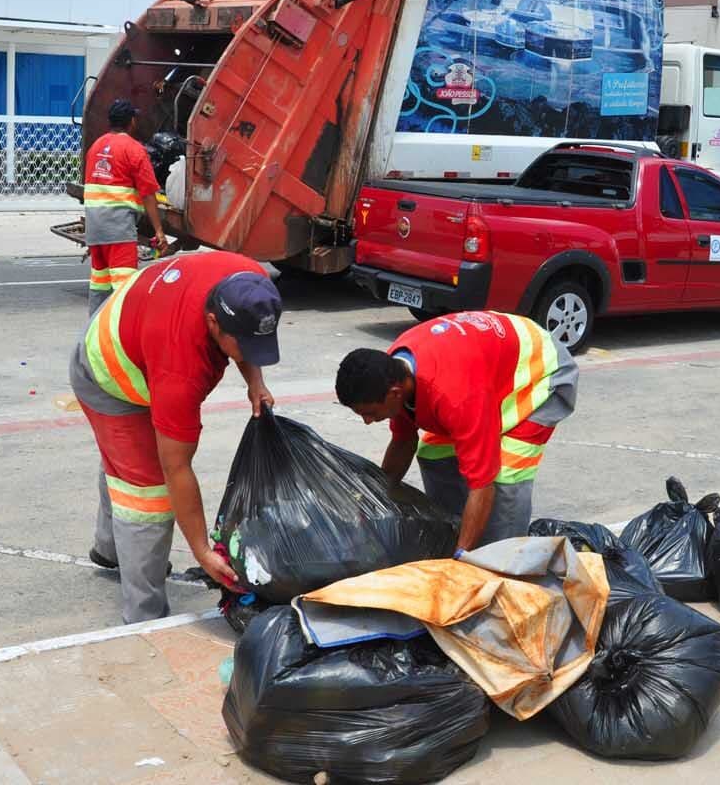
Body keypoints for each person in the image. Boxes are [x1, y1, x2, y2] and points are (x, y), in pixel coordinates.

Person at [70, 251, 281, 623]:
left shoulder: (248, 280)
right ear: (213, 324)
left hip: (136, 316)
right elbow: (177, 468)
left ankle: (109, 548)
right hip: (106, 373)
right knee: (145, 491)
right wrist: (201, 550)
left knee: (125, 462)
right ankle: (144, 617)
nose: (251, 354)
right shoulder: (180, 369)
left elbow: (244, 334)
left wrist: (255, 380)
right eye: (244, 347)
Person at [335, 311, 578, 553]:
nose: (367, 421)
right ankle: (454, 534)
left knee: (505, 478)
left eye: (368, 413)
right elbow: (403, 440)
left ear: (395, 393)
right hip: (486, 372)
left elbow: (482, 482)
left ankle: (504, 561)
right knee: (435, 456)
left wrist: (462, 557)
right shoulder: (391, 372)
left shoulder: (455, 396)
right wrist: (370, 500)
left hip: (539, 373)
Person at [83, 98, 168, 315]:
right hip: (118, 230)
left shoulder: (96, 146)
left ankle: (94, 330)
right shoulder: (134, 149)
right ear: (132, 121)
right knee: (124, 288)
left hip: (94, 229)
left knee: (99, 284)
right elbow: (148, 194)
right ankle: (120, 335)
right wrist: (159, 230)